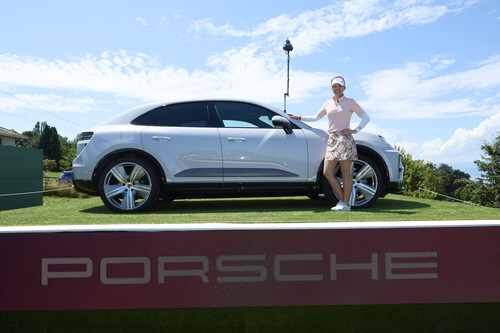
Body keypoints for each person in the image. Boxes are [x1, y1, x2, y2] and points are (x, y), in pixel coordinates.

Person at [289, 76, 370, 211]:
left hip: (345, 139)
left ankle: (345, 204)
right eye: (334, 86)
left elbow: (366, 117)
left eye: (339, 86)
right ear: (331, 88)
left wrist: (356, 130)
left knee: (346, 173)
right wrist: (299, 117)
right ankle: (343, 202)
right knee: (327, 172)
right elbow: (316, 117)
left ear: (344, 88)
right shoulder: (328, 103)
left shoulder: (351, 102)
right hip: (332, 139)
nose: (337, 88)